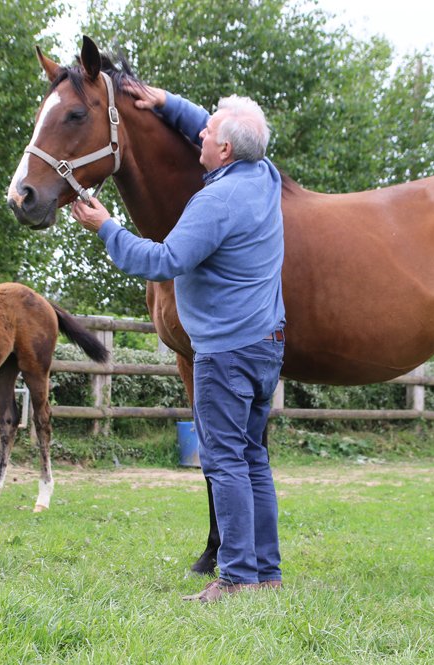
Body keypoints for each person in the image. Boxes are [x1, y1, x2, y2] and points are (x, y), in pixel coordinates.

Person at [70, 84, 286, 604]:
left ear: (225, 149)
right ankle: (266, 573)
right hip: (266, 344)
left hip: (226, 352)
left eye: (207, 131)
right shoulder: (265, 176)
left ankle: (236, 578)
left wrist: (106, 227)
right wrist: (166, 104)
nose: (199, 134)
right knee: (252, 457)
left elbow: (163, 261)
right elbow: (220, 131)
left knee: (225, 461)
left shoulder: (215, 202)